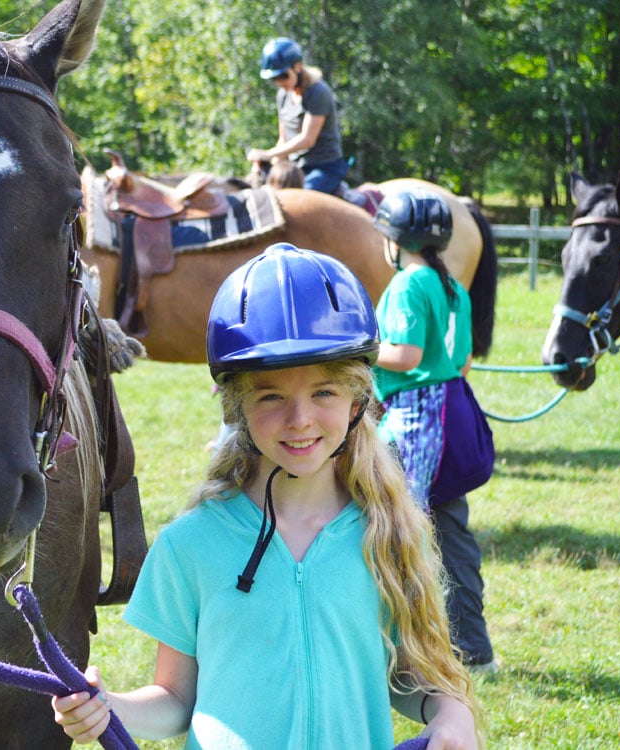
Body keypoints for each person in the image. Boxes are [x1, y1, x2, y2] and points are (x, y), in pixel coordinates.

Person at [53, 243, 482, 749]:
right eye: (271, 396)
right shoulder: (192, 543)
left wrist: (451, 712)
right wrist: (109, 708)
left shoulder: (388, 530)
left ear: (357, 402)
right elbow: (174, 699)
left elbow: (409, 676)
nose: (299, 419)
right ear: (236, 408)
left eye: (324, 392)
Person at [372, 189, 496, 674]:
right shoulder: (454, 289)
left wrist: (359, 348)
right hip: (452, 413)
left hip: (412, 421)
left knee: (391, 530)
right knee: (451, 531)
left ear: (395, 241)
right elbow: (461, 362)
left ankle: (396, 647)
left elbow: (405, 357)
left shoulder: (406, 285)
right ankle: (474, 648)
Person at [245, 37, 349, 195]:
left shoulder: (318, 92)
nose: (279, 82)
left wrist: (268, 153)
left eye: (283, 76)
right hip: (296, 168)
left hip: (324, 167)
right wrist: (267, 165)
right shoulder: (283, 96)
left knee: (302, 198)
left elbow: (308, 139)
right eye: (274, 79)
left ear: (298, 67)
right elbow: (283, 140)